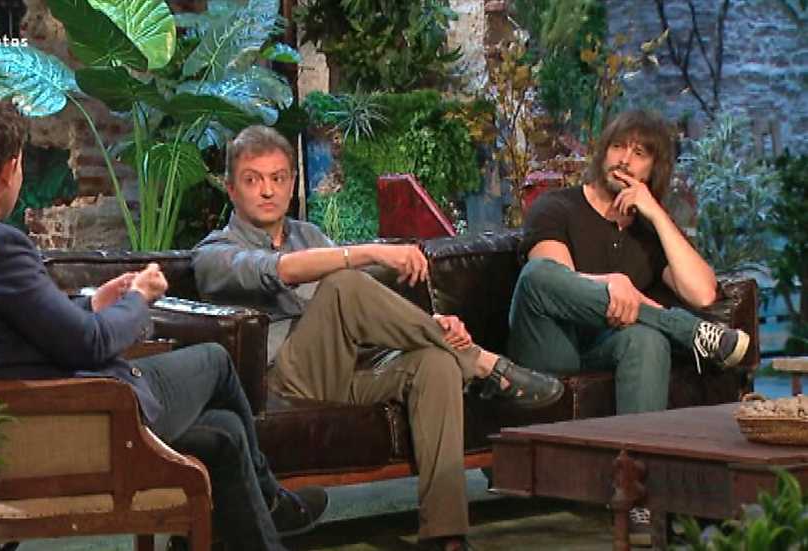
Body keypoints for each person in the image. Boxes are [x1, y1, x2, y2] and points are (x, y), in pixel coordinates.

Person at [0, 97, 326, 551]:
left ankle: (262, 517)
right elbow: (91, 345)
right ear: (10, 168)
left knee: (223, 432)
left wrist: (93, 303)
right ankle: (274, 502)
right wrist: (139, 298)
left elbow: (18, 322)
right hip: (67, 421)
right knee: (216, 362)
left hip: (2, 417)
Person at [192, 125, 564, 551]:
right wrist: (369, 251)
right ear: (231, 188)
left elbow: (364, 310)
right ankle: (483, 363)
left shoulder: (309, 235)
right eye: (252, 179)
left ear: (292, 183)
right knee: (343, 284)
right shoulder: (214, 252)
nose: (267, 191)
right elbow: (280, 270)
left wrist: (436, 325)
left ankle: (444, 535)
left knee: (436, 363)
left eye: (278, 178)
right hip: (282, 382)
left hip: (345, 372)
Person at [507, 109, 750, 415]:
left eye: (639, 154)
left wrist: (656, 213)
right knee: (536, 273)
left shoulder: (648, 232)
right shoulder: (555, 206)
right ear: (603, 152)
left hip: (601, 347)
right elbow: (554, 281)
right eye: (618, 146)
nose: (624, 160)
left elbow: (702, 293)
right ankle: (688, 330)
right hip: (551, 343)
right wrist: (614, 284)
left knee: (647, 339)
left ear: (653, 169)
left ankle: (638, 446)